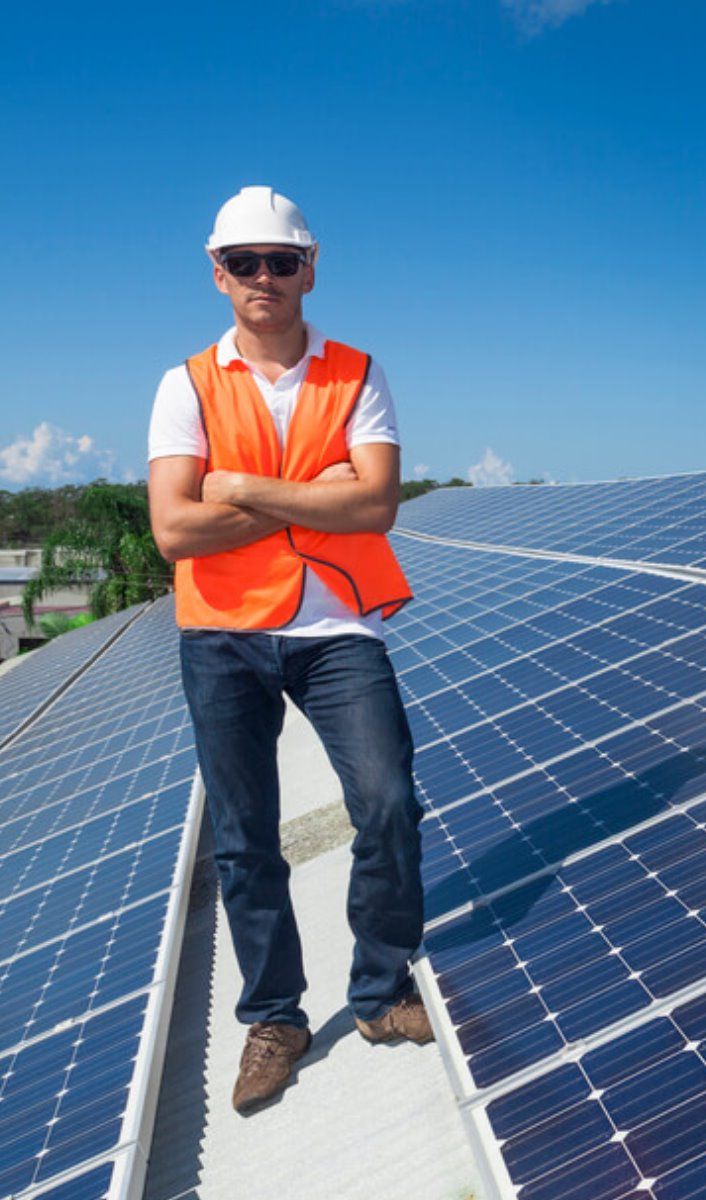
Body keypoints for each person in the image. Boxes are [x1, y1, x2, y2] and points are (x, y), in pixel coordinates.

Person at [148, 186, 431, 1115]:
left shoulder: (357, 372)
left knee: (386, 801)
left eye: (281, 260)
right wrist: (311, 487)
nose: (263, 277)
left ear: (310, 267)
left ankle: (382, 990)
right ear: (217, 273)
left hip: (337, 625)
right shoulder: (184, 384)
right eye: (244, 262)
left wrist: (240, 484)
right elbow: (175, 534)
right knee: (243, 840)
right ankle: (276, 1017)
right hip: (222, 633)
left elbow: (377, 505)